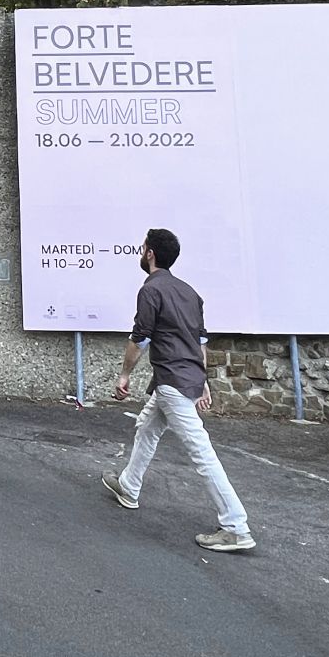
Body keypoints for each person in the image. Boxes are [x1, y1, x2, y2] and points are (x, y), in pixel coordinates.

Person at [101, 228, 255, 553]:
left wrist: (124, 375)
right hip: (178, 379)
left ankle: (235, 526)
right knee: (147, 428)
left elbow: (140, 337)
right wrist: (203, 381)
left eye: (142, 248)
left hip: (172, 380)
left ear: (150, 254)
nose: (141, 252)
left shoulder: (151, 290)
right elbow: (199, 341)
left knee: (202, 454)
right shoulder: (189, 292)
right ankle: (129, 486)